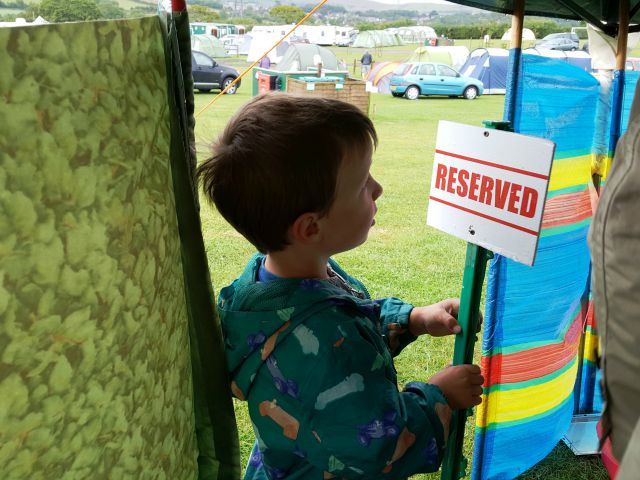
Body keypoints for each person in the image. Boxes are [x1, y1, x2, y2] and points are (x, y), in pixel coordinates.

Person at [197, 93, 484, 479]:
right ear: (310, 227)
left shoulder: (276, 286)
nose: (378, 188)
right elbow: (381, 449)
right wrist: (440, 397)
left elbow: (348, 319)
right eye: (363, 183)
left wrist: (413, 319)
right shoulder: (324, 348)